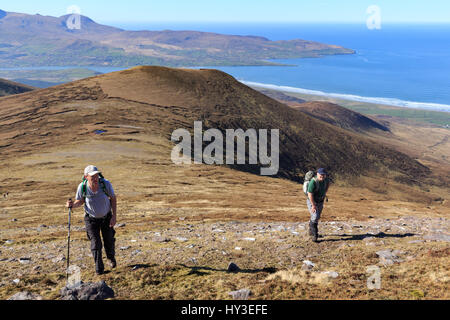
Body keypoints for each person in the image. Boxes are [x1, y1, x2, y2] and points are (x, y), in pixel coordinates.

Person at [66, 165, 117, 275]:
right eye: (92, 176)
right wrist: (71, 205)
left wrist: (114, 216)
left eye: (97, 175)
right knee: (95, 242)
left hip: (106, 217)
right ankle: (99, 269)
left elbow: (113, 198)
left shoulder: (105, 184)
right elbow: (80, 201)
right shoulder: (82, 187)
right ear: (86, 177)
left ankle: (111, 258)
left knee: (109, 240)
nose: (95, 178)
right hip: (91, 219)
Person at [307, 168, 330, 243]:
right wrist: (313, 205)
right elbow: (310, 194)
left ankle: (311, 231)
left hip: (320, 201)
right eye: (321, 174)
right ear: (317, 174)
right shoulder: (313, 182)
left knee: (317, 217)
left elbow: (327, 186)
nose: (322, 176)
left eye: (323, 174)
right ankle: (315, 235)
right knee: (315, 216)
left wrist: (324, 194)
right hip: (312, 201)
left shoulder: (326, 181)